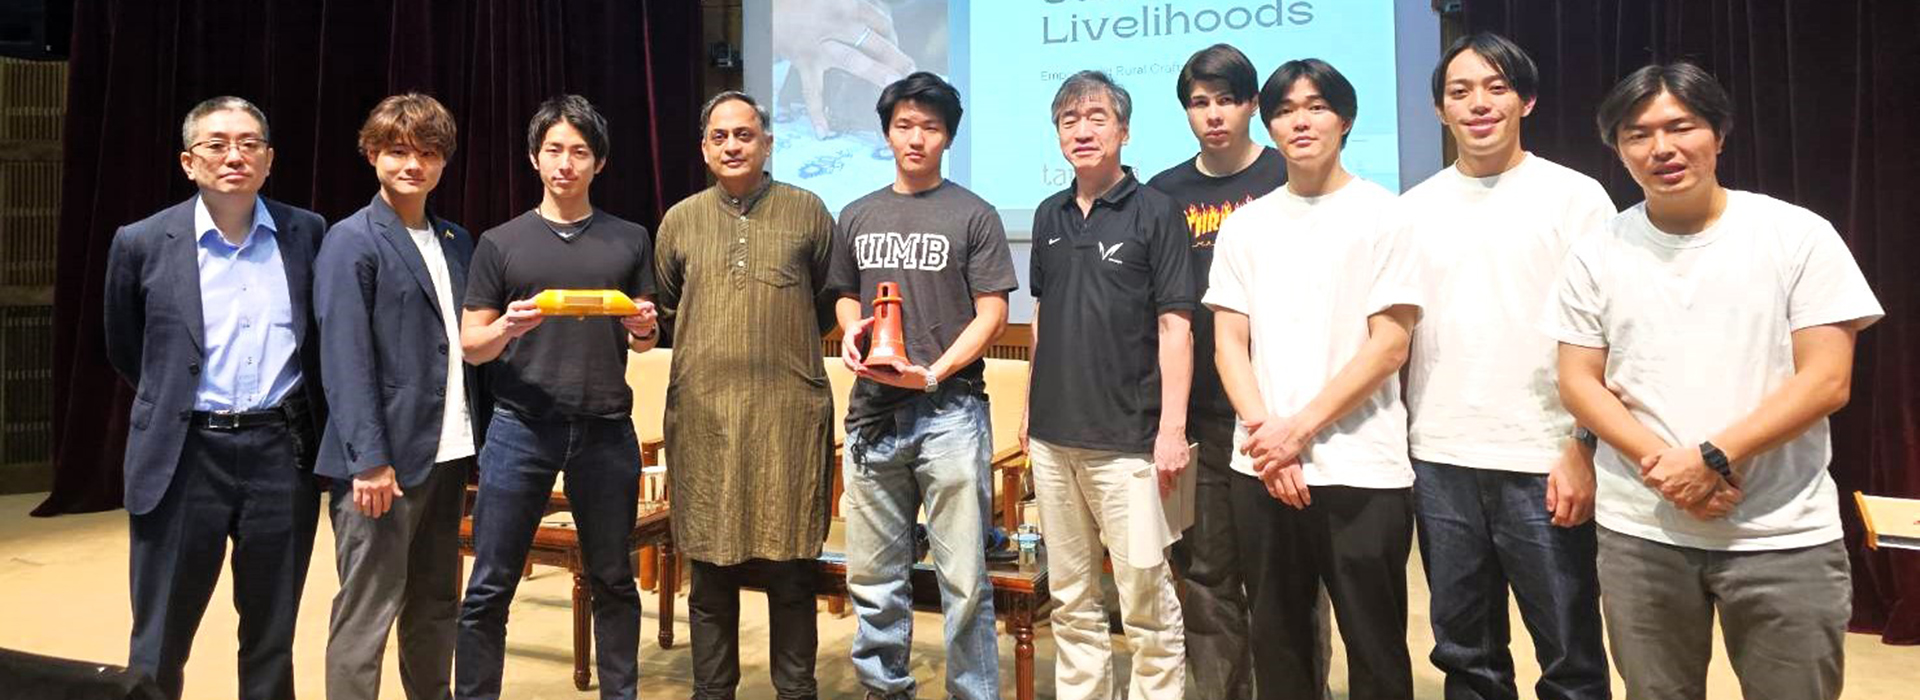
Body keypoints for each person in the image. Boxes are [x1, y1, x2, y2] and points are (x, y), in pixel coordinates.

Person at [1544, 62, 1883, 700]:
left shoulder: (1797, 236)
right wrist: (1668, 468)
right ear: (1618, 149)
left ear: (1719, 134)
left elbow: (1828, 380)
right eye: (1637, 134)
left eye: (1681, 126)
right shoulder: (1597, 250)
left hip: (1783, 533)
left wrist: (1712, 458)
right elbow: (1578, 382)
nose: (1661, 148)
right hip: (1643, 533)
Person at [1399, 33, 1616, 700]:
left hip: (1544, 459)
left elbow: (1611, 338)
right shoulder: (1411, 210)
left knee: (1570, 655)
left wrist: (1583, 447)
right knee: (1466, 654)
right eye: (1460, 92)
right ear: (1440, 110)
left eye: (1496, 88)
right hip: (1439, 458)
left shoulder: (1575, 198)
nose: (1479, 104)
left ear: (1526, 100)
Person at [103, 96, 328, 700]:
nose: (235, 155)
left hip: (281, 454)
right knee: (159, 639)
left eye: (250, 142)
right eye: (217, 143)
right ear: (187, 161)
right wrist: (178, 401)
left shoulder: (307, 233)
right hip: (182, 457)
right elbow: (129, 349)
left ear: (269, 157)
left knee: (271, 633)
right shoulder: (142, 241)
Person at [1209, 59, 1421, 700]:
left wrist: (1294, 432)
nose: (1300, 120)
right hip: (1264, 471)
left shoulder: (1386, 214)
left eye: (1317, 106)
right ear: (1268, 125)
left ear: (1345, 119)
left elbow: (1390, 345)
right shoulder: (1247, 222)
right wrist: (1266, 440)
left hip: (1362, 468)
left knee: (1375, 645)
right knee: (1277, 642)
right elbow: (1228, 342)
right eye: (1284, 110)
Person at [455, 95, 659, 700]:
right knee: (490, 583)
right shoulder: (500, 242)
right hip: (521, 427)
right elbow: (472, 345)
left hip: (605, 429)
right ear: (534, 159)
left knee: (614, 579)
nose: (565, 163)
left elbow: (646, 340)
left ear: (599, 163)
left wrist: (642, 326)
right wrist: (508, 328)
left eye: (579, 151)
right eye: (553, 151)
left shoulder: (629, 239)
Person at [829, 71, 1018, 700]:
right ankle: (885, 691)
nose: (917, 138)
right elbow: (843, 298)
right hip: (872, 418)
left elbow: (992, 312)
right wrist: (854, 334)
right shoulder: (855, 213)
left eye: (930, 128)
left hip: (951, 411)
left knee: (965, 580)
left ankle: (974, 692)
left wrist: (935, 371)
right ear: (886, 133)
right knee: (875, 581)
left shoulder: (975, 213)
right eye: (905, 125)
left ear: (948, 138)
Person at [653, 90, 836, 700]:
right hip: (704, 417)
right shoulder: (679, 220)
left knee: (790, 569)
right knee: (709, 571)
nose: (733, 145)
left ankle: (795, 691)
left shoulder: (808, 210)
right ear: (705, 149)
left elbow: (828, 307)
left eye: (745, 135)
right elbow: (670, 309)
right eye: (720, 137)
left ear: (767, 143)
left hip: (786, 417)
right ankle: (714, 691)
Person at [1024, 69, 1192, 700]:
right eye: (1070, 120)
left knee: (1145, 603)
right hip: (1053, 440)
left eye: (1096, 118)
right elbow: (1042, 317)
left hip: (1130, 445)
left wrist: (1171, 431)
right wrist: (1030, 414)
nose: (1083, 130)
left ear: (1122, 129)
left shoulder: (1157, 213)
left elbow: (1177, 327)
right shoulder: (1048, 214)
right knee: (1070, 600)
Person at [1144, 43, 1294, 700]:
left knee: (1284, 581)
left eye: (1227, 100)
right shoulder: (1162, 194)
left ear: (1253, 105)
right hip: (1197, 415)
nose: (1214, 115)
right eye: (1199, 103)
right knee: (1204, 578)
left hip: (1278, 415)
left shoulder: (1290, 176)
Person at [315, 93, 476, 700]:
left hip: (449, 451)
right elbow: (344, 360)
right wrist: (369, 460)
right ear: (373, 154)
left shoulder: (457, 239)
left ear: (443, 162)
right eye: (398, 151)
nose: (414, 164)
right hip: (381, 466)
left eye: (428, 153)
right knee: (368, 611)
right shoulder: (350, 240)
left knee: (436, 604)